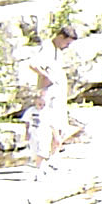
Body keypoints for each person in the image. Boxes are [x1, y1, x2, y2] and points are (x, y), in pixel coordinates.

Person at [25, 23, 79, 166]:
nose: (67, 46)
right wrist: (46, 77)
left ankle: (53, 157)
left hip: (58, 92)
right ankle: (44, 159)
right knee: (50, 125)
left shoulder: (57, 50)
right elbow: (33, 64)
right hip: (49, 92)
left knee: (60, 124)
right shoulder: (47, 48)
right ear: (61, 37)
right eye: (67, 43)